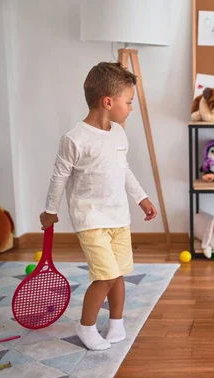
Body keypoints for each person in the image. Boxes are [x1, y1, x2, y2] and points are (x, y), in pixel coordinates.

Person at [39, 62, 157, 351]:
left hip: (119, 217)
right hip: (90, 218)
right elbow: (59, 177)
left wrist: (141, 198)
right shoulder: (75, 139)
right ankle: (86, 325)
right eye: (128, 102)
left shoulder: (118, 133)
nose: (131, 108)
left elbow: (124, 170)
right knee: (104, 275)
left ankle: (116, 321)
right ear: (108, 102)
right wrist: (50, 211)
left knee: (118, 272)